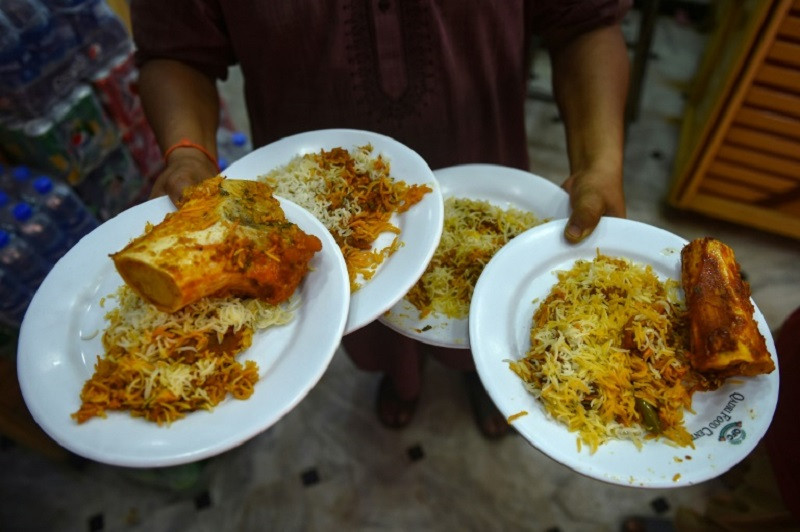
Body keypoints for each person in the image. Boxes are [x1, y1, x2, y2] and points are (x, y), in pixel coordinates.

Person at [130, 0, 631, 438]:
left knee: (491, 301)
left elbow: (586, 20)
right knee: (370, 322)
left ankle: (485, 375)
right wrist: (187, 151)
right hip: (317, 204)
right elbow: (174, 47)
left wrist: (600, 162)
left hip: (485, 165)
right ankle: (401, 379)